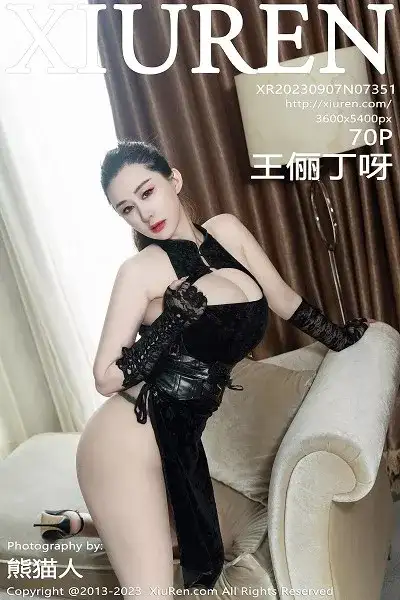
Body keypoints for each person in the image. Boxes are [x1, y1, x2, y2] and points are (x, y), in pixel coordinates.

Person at [33, 140, 371, 598]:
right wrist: (169, 321)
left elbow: (283, 299)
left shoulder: (226, 231)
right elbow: (105, 376)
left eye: (147, 192)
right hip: (126, 440)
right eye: (127, 208)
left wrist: (342, 340)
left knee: (197, 550)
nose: (143, 214)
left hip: (182, 437)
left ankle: (78, 521)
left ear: (173, 179)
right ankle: (95, 516)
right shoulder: (141, 270)